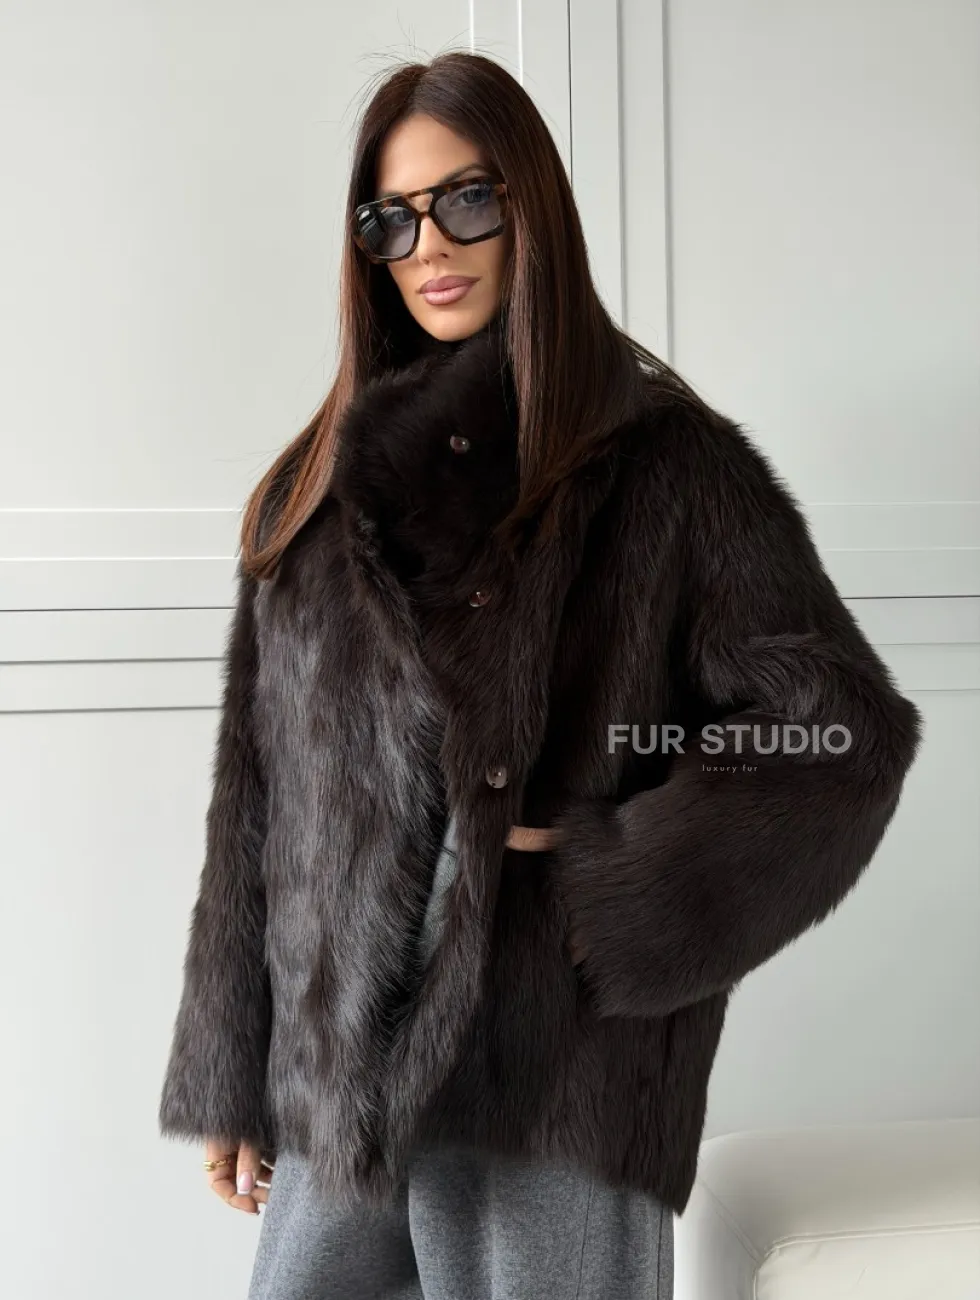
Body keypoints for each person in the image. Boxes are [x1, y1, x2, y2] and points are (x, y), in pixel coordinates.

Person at [157, 51, 923, 1300]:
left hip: (556, 1077)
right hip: (341, 1087)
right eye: (389, 220)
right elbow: (258, 795)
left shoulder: (666, 466)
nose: (428, 245)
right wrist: (231, 1064)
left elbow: (835, 732)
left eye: (467, 199)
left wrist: (608, 879)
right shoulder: (313, 494)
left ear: (531, 207)